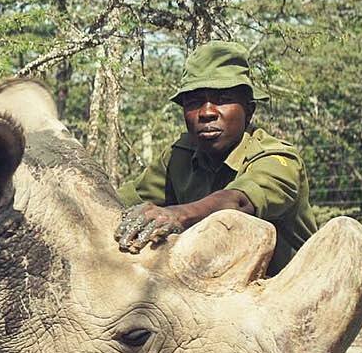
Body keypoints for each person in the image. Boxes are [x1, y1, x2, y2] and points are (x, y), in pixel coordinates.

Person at [117, 40, 317, 275]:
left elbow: (239, 201)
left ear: (249, 110)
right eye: (194, 102)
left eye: (222, 100)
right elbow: (122, 201)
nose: (207, 113)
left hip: (288, 290)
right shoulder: (178, 157)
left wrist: (178, 214)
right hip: (211, 290)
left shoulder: (276, 159)